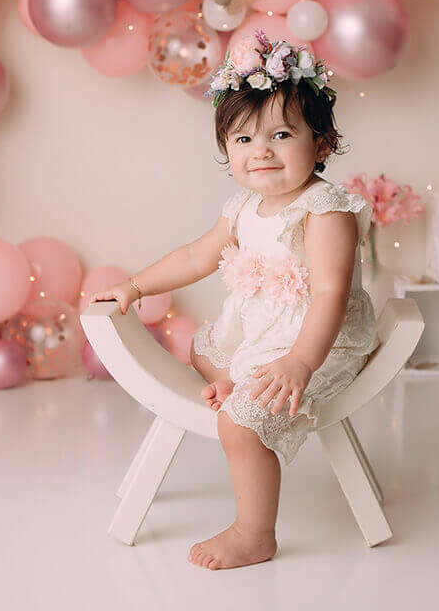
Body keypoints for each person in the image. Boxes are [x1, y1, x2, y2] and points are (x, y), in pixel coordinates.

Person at [89, 32, 377, 570]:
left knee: (239, 425)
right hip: (263, 329)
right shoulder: (244, 207)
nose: (260, 150)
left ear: (321, 144)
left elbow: (332, 295)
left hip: (319, 341)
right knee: (202, 353)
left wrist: (299, 361)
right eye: (243, 139)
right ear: (227, 150)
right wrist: (135, 286)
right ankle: (236, 380)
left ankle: (254, 532)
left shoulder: (325, 210)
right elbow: (195, 256)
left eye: (281, 134)